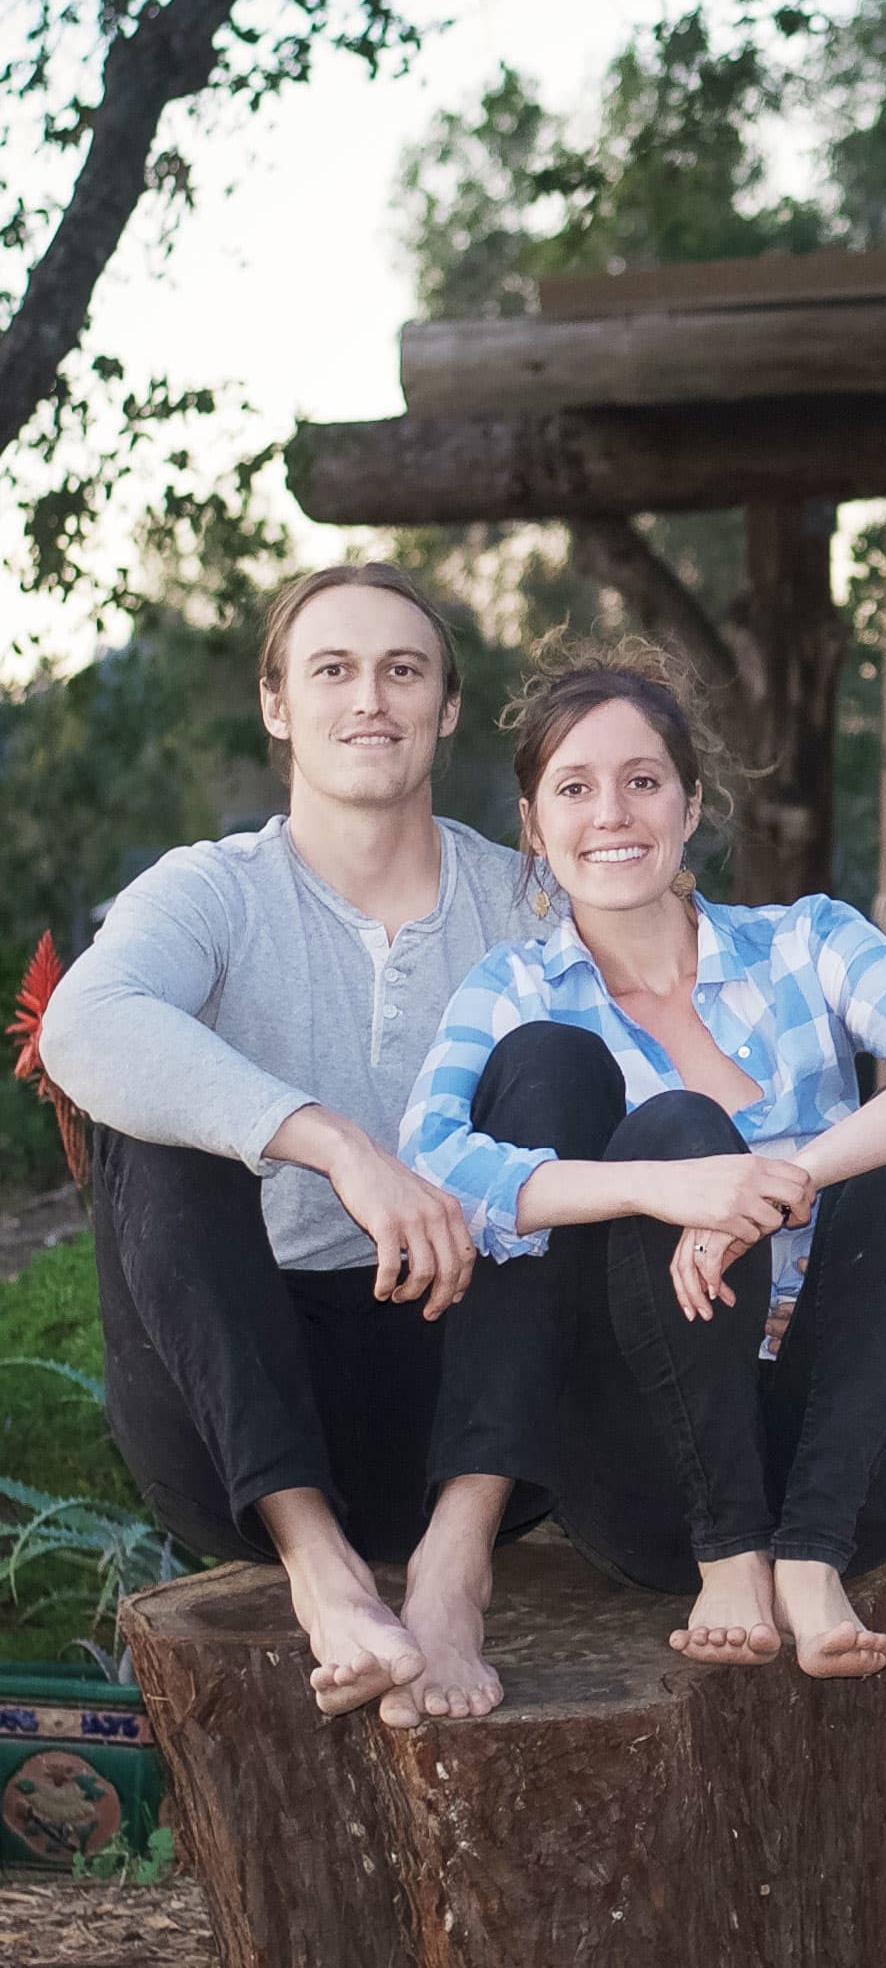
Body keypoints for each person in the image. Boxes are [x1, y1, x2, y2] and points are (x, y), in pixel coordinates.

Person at [401, 642, 886, 1675]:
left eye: (642, 781)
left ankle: (812, 1559)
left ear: (689, 806)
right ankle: (732, 1550)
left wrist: (787, 1183)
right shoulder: (513, 987)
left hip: (852, 1447)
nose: (612, 813)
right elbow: (432, 1163)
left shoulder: (807, 941)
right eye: (575, 787)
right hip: (654, 1470)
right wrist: (670, 1184)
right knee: (675, 1125)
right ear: (533, 823)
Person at [37, 563, 562, 1727]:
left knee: (564, 1075)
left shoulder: (525, 904)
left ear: (447, 706)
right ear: (278, 705)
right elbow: (83, 1021)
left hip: (469, 1392)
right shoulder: (211, 889)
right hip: (241, 1415)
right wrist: (335, 1145)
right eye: (333, 669)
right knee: (159, 1123)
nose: (368, 697)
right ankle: (321, 1569)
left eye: (402, 669)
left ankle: (453, 1562)